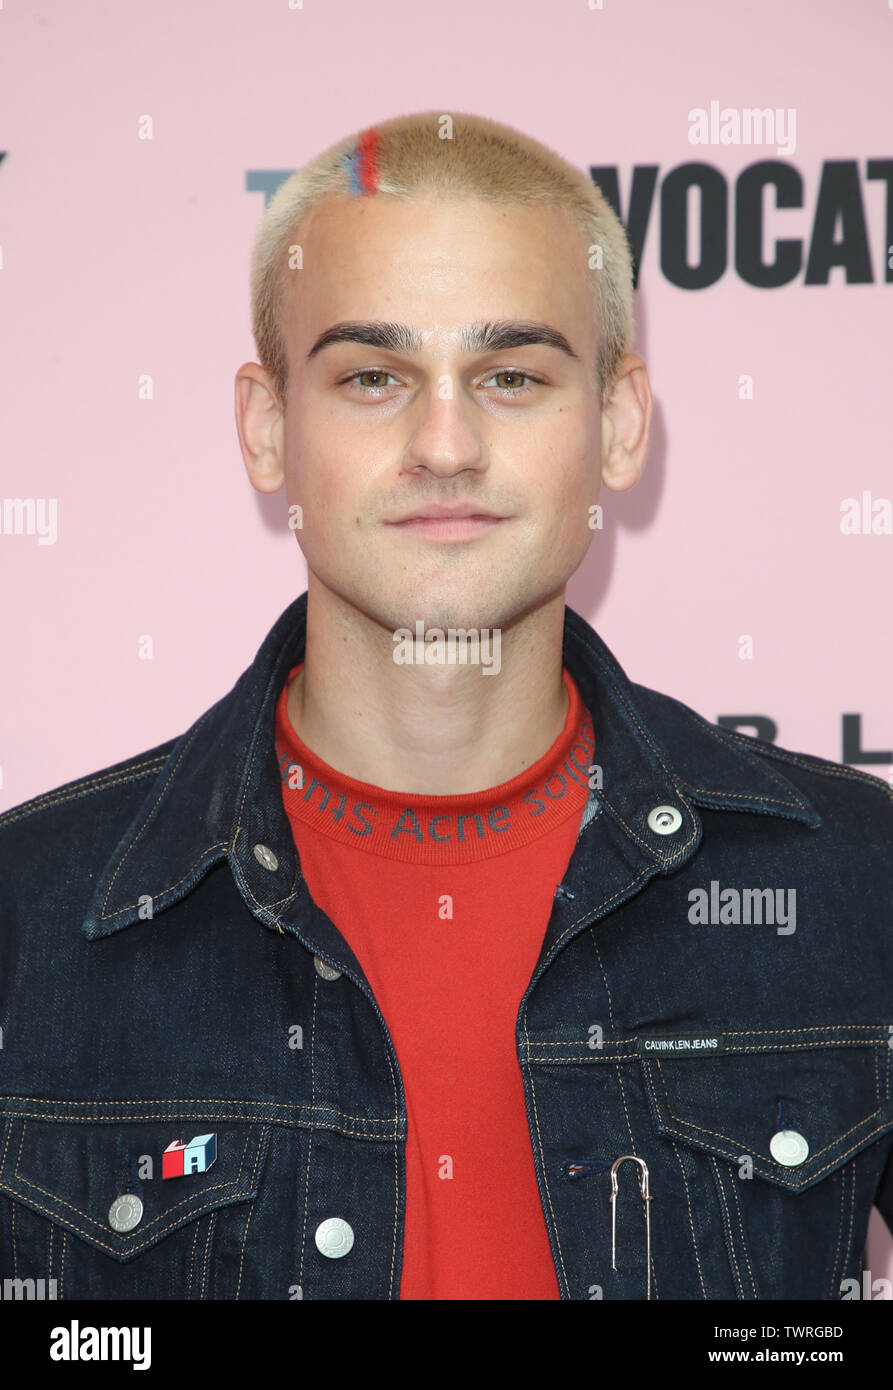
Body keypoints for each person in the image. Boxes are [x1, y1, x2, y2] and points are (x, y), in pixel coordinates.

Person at [1, 110, 891, 1302]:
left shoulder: (853, 885)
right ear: (267, 429)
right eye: (372, 377)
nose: (444, 444)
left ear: (617, 424)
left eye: (511, 376)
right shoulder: (32, 917)